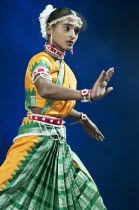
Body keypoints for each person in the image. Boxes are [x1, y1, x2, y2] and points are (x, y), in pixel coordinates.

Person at [0, 4, 114, 209]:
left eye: (76, 31)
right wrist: (87, 95)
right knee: (9, 193)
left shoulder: (67, 71)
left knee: (80, 196)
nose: (72, 35)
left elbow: (56, 106)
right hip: (34, 141)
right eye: (66, 28)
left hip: (57, 143)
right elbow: (45, 89)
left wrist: (82, 119)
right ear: (50, 29)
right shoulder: (41, 60)